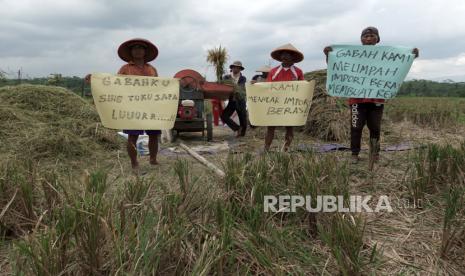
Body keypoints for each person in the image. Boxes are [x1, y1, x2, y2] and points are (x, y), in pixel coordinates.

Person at [324, 27, 419, 163]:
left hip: (377, 100)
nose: (368, 38)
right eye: (365, 36)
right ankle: (354, 154)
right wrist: (328, 55)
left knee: (375, 128)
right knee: (356, 127)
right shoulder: (353, 55)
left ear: (377, 39)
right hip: (357, 100)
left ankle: (375, 154)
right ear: (361, 39)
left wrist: (411, 55)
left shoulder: (384, 56)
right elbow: (337, 66)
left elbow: (398, 65)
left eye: (372, 36)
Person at [86, 38, 161, 171]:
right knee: (133, 135)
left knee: (154, 134)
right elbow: (115, 84)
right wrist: (95, 81)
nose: (138, 50)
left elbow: (160, 87)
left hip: (150, 106)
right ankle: (134, 163)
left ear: (145, 52)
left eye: (141, 48)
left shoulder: (152, 70)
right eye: (135, 48)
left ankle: (153, 159)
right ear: (131, 52)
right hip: (132, 107)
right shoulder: (125, 69)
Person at [265, 43, 305, 151]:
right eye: (283, 54)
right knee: (270, 127)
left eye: (288, 54)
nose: (285, 57)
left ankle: (285, 149)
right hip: (275, 103)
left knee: (289, 127)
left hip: (290, 104)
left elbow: (302, 88)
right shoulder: (273, 72)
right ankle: (266, 149)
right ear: (280, 57)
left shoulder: (298, 72)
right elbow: (267, 87)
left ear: (293, 57)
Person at [221, 61, 247, 137]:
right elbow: (223, 85)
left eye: (238, 68)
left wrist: (231, 86)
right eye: (235, 67)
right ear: (231, 68)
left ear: (240, 69)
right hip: (232, 100)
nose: (236, 69)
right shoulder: (226, 77)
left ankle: (242, 134)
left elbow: (240, 87)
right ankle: (237, 128)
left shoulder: (243, 78)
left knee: (243, 118)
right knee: (224, 116)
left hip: (240, 100)